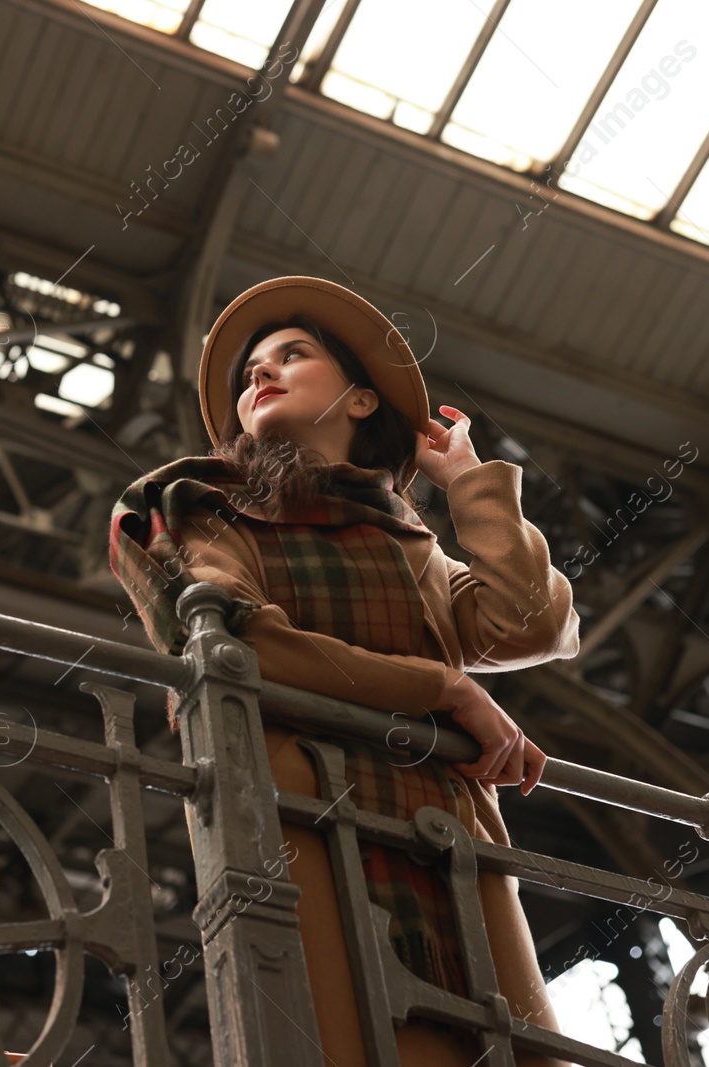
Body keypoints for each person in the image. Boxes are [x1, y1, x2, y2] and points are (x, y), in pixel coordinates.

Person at [109, 275, 581, 1066]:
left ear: (362, 400)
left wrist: (469, 484)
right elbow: (231, 642)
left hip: (452, 843)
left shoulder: (415, 548)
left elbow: (533, 621)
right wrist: (444, 685)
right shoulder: (190, 504)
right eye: (251, 368)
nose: (260, 372)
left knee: (503, 1047)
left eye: (291, 355)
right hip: (296, 818)